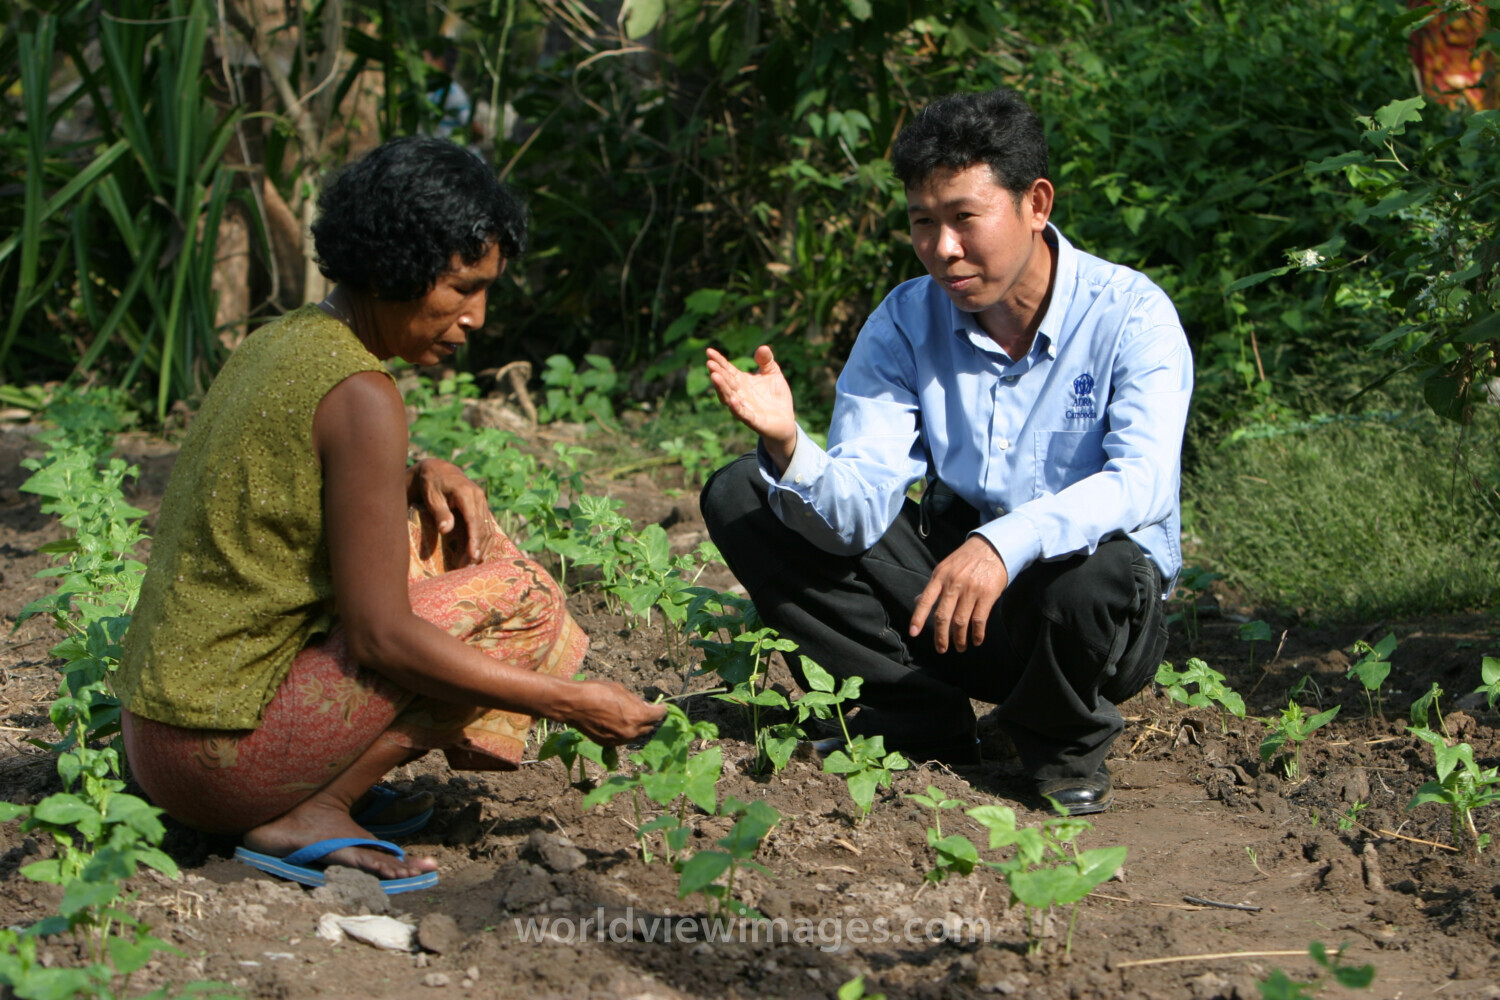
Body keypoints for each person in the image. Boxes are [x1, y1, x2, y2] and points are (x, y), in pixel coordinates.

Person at [117, 135, 664, 892]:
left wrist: (411, 474)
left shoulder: (280, 341)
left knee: (447, 529)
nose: (476, 317)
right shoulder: (363, 395)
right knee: (523, 601)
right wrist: (568, 702)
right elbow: (380, 637)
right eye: (461, 287)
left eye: (486, 291)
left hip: (158, 741)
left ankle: (323, 781)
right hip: (220, 763)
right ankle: (314, 807)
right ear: (393, 264)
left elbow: (286, 483)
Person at [699, 88, 1192, 815]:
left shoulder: (1131, 315)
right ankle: (914, 717)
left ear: (1036, 203)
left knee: (1104, 573)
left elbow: (1143, 482)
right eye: (922, 224)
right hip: (954, 601)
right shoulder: (903, 321)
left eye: (965, 218)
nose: (943, 249)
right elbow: (861, 510)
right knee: (746, 493)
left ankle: (1058, 739)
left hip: (1087, 613)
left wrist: (1005, 542)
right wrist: (788, 444)